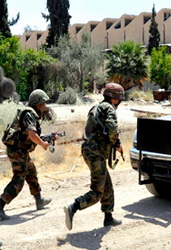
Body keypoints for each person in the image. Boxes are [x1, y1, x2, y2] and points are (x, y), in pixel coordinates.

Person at [64, 83, 124, 230]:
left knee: (107, 185)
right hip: (96, 153)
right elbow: (112, 129)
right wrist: (116, 143)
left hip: (89, 150)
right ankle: (74, 206)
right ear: (115, 98)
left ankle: (108, 217)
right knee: (97, 191)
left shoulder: (95, 108)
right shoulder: (109, 108)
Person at [0, 89, 53, 220]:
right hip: (18, 151)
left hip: (19, 149)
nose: (46, 106)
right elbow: (32, 134)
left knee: (31, 172)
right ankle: (0, 206)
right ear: (39, 104)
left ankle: (39, 200)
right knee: (19, 179)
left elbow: (29, 135)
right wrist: (43, 144)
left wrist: (47, 138)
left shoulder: (27, 112)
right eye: (44, 103)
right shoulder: (30, 114)